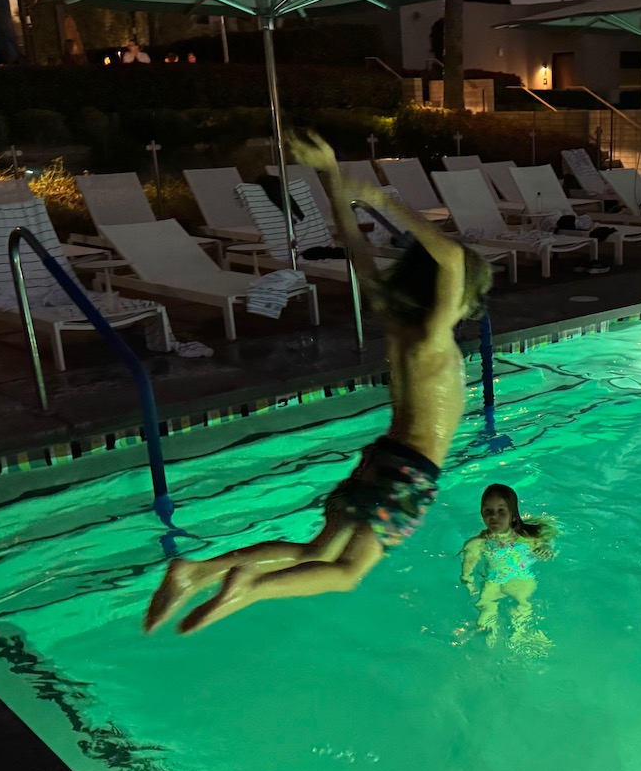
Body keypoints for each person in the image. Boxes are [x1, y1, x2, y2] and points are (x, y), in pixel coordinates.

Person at [144, 132, 495, 634]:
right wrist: (379, 198)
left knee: (317, 550)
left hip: (384, 459)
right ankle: (249, 587)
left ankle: (197, 569)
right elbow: (454, 260)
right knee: (346, 572)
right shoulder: (432, 339)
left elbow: (353, 246)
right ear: (449, 295)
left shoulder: (398, 327)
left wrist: (332, 175)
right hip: (408, 472)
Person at [459, 484, 557, 650]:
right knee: (486, 609)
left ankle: (521, 637)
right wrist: (470, 585)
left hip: (520, 578)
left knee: (523, 607)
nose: (494, 516)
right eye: (488, 511)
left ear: (513, 515)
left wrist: (545, 548)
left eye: (501, 511)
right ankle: (489, 641)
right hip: (493, 582)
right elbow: (467, 571)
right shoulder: (478, 544)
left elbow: (546, 540)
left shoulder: (527, 537)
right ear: (482, 514)